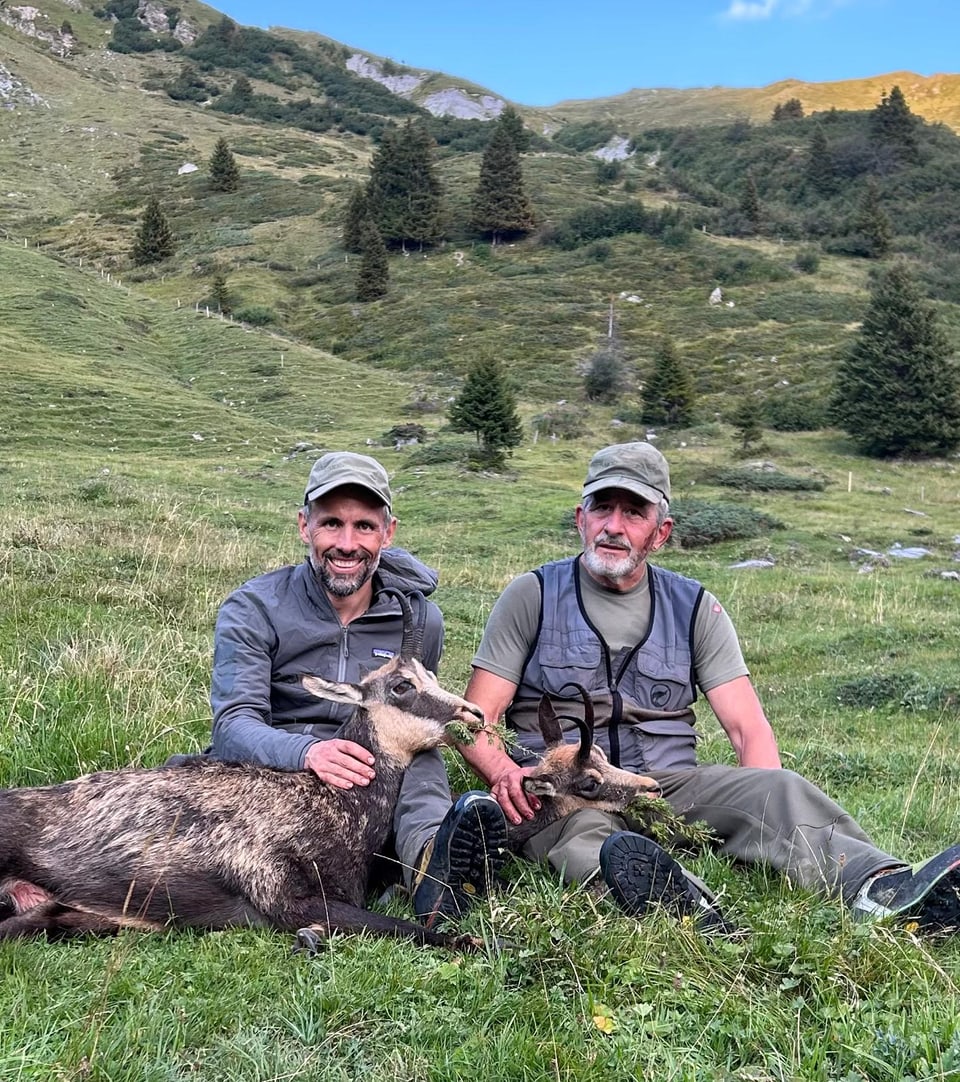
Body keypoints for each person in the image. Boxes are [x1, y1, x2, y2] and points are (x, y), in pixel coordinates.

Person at [456, 441, 960, 933]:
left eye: (634, 512)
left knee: (781, 789)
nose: (613, 526)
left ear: (661, 532)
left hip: (667, 787)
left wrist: (763, 818)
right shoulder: (532, 595)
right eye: (602, 508)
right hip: (567, 791)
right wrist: (504, 772)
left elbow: (747, 729)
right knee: (588, 836)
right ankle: (681, 901)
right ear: (579, 519)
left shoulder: (696, 608)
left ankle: (883, 889)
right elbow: (476, 719)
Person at [207, 450, 506, 928]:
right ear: (305, 526)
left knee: (422, 750)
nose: (347, 544)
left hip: (374, 769)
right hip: (280, 769)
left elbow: (415, 710)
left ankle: (433, 864)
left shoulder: (420, 619)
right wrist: (308, 753)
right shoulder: (253, 608)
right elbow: (232, 725)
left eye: (364, 526)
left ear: (388, 532)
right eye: (331, 524)